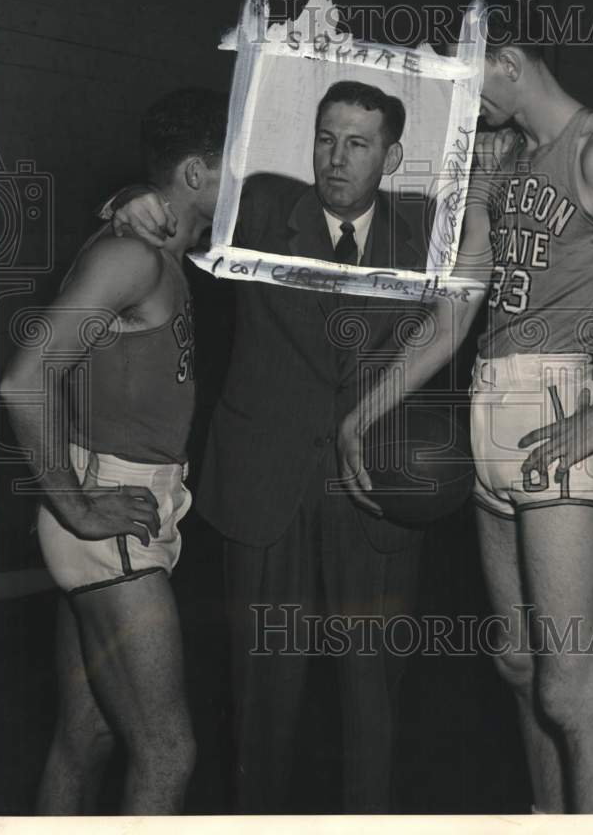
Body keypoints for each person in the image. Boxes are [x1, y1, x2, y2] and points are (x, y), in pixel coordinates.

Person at [337, 0, 593, 814]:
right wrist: (365, 411)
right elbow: (458, 308)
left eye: (470, 77)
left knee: (570, 689)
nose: (461, 98)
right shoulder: (501, 157)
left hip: (558, 410)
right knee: (518, 669)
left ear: (510, 63)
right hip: (488, 408)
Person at [110, 79, 431, 813]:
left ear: (391, 155)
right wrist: (129, 197)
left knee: (372, 703)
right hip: (263, 483)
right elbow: (174, 197)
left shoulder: (425, 234)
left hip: (372, 488)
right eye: (324, 139)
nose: (335, 158)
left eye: (357, 143)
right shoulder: (255, 210)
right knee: (261, 700)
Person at [1, 88, 227, 814]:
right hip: (111, 519)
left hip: (130, 511)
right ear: (195, 172)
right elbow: (22, 381)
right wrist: (77, 506)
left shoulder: (161, 250)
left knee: (86, 738)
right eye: (235, 165)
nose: (247, 180)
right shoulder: (133, 256)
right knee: (168, 754)